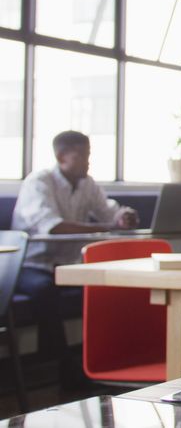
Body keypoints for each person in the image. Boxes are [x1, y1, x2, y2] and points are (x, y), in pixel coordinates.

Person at [11, 130, 138, 380]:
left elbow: (108, 211)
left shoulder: (87, 183)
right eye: (82, 155)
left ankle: (109, 358)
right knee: (44, 290)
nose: (87, 161)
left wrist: (122, 217)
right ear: (61, 157)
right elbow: (54, 226)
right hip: (30, 265)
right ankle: (65, 368)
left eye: (89, 154)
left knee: (106, 288)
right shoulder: (39, 182)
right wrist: (105, 227)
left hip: (69, 266)